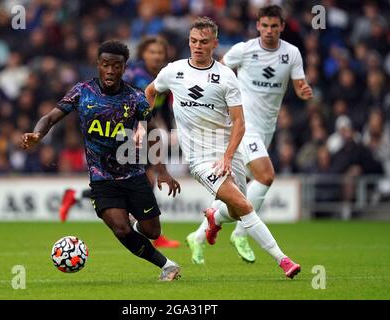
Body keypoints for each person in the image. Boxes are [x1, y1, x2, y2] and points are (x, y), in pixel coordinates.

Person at [145, 17, 301, 278]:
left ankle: (213, 219)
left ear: (214, 44)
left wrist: (229, 156)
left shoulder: (226, 77)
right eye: (193, 41)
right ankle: (283, 260)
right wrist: (142, 123)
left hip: (229, 153)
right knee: (245, 205)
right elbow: (150, 92)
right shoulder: (173, 71)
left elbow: (239, 123)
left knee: (235, 211)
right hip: (200, 158)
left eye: (204, 42)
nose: (197, 46)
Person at [21, 40, 181, 281]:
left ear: (124, 67)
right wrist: (37, 134)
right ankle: (166, 266)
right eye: (105, 65)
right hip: (101, 178)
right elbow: (51, 117)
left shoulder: (135, 98)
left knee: (152, 231)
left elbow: (153, 132)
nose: (110, 71)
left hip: (133, 175)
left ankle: (137, 225)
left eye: (116, 66)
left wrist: (163, 171)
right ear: (97, 65)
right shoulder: (82, 91)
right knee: (121, 228)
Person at [186, 5, 313, 265]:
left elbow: (299, 86)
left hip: (266, 128)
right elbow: (217, 74)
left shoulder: (291, 54)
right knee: (266, 176)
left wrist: (304, 91)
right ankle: (241, 233)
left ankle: (201, 232)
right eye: (264, 25)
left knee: (238, 195)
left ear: (282, 27)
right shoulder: (243, 50)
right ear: (257, 26)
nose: (268, 31)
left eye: (274, 26)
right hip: (243, 126)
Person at [58, 36, 180, 248]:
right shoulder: (135, 78)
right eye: (152, 52)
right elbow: (120, 103)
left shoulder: (162, 78)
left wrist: (166, 129)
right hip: (125, 137)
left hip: (142, 135)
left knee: (145, 180)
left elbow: (159, 110)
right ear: (143, 54)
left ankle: (77, 195)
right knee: (140, 179)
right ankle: (151, 232)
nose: (157, 56)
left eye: (160, 53)